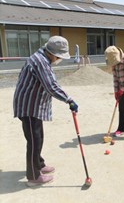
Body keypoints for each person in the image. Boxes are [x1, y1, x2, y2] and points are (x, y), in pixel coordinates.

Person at [13, 36, 79, 187]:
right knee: (34, 141)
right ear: (51, 52)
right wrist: (69, 100)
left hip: (33, 106)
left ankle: (39, 164)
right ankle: (33, 176)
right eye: (59, 56)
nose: (58, 59)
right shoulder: (41, 61)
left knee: (38, 137)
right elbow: (51, 86)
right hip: (28, 107)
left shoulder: (42, 58)